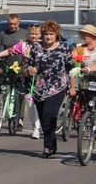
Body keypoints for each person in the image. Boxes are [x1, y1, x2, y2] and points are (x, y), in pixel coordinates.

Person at [26, 20, 77, 158]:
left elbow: (71, 69)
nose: (48, 37)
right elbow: (29, 64)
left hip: (57, 87)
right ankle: (52, 143)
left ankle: (47, 146)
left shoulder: (64, 49)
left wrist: (72, 87)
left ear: (56, 35)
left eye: (51, 34)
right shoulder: (37, 47)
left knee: (49, 113)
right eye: (46, 34)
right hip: (40, 87)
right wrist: (29, 68)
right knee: (44, 118)